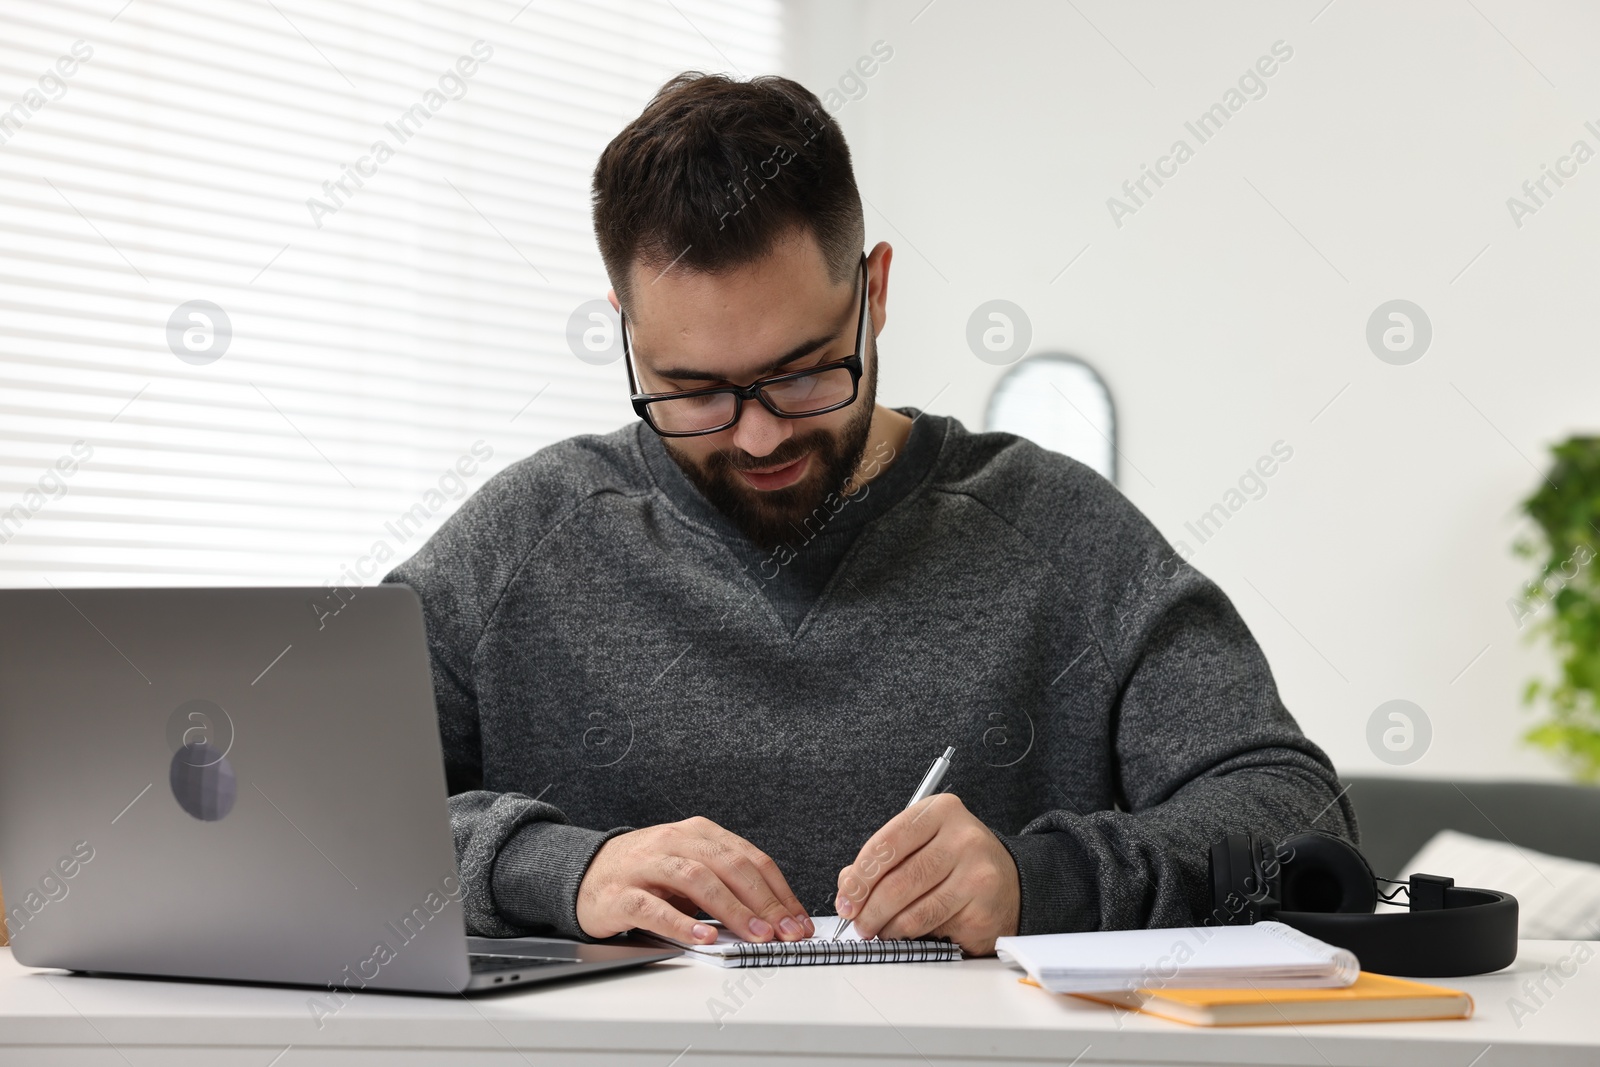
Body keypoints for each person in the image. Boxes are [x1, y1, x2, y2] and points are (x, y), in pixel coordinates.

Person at [382, 72, 1356, 957]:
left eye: (803, 372)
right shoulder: (521, 542)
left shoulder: (1056, 532)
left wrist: (1040, 880)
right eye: (693, 389)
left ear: (874, 291)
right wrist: (553, 868)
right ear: (626, 331)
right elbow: (306, 806)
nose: (757, 436)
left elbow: (1298, 817)